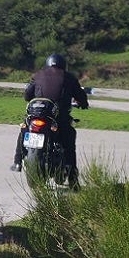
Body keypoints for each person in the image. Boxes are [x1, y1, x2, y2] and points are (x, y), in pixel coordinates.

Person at [15, 53, 89, 185]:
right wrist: (83, 103)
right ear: (63, 65)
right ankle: (72, 178)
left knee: (24, 129)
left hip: (37, 114)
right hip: (58, 117)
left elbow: (27, 95)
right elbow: (80, 96)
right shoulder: (68, 77)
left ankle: (17, 161)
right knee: (69, 141)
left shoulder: (38, 75)